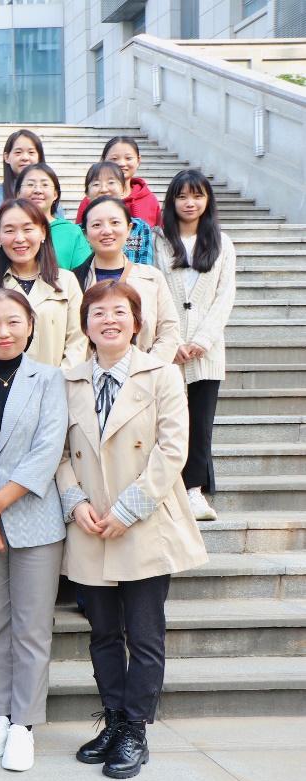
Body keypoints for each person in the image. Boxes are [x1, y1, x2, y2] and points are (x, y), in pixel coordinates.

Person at [57, 278, 207, 779]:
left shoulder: (162, 375)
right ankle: (115, 719)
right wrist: (75, 502)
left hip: (144, 522)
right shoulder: (69, 381)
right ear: (86, 325)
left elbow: (172, 450)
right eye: (98, 313)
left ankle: (136, 729)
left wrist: (128, 510)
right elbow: (60, 453)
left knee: (143, 635)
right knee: (102, 633)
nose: (109, 320)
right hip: (90, 524)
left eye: (120, 312)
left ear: (137, 322)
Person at [0, 288, 67, 773]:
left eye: (13, 322)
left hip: (34, 519)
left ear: (30, 327)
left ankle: (24, 724)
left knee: (31, 627)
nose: (3, 332)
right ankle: (0, 715)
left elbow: (48, 449)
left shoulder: (49, 379)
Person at [155, 169, 237, 522]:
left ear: (208, 200)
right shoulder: (158, 240)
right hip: (166, 348)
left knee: (201, 422)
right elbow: (155, 292)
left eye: (198, 195)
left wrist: (203, 339)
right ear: (172, 200)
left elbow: (225, 295)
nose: (190, 203)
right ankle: (165, 488)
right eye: (182, 196)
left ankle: (194, 492)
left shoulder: (222, 242)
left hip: (208, 349)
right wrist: (172, 341)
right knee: (168, 419)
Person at [0, 199, 85, 369]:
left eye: (27, 229)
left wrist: (60, 379)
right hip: (4, 383)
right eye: (10, 230)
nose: (20, 239)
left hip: (59, 381)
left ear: (43, 232)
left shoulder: (66, 281)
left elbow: (78, 341)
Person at [73, 196, 180, 364]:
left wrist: (145, 370)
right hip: (88, 376)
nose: (107, 231)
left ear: (129, 229)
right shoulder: (72, 280)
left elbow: (169, 331)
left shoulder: (153, 277)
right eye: (96, 225)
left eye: (115, 223)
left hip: (145, 374)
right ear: (86, 233)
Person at [17, 163, 90, 272]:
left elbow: (84, 275)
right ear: (18, 193)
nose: (37, 190)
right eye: (30, 184)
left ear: (55, 194)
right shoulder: (9, 232)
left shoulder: (72, 232)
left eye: (45, 185)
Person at [0, 129, 65, 220]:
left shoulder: (49, 198)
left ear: (39, 157)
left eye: (31, 152)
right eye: (18, 152)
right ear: (7, 157)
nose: (25, 158)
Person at [76, 136, 162, 227]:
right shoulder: (90, 200)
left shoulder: (150, 199)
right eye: (114, 159)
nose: (122, 164)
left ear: (138, 160)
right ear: (103, 161)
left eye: (128, 158)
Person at [82, 162, 154, 265]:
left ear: (124, 190)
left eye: (111, 182)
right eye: (96, 184)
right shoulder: (77, 232)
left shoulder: (139, 227)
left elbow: (145, 269)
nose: (104, 189)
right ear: (87, 193)